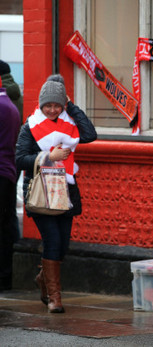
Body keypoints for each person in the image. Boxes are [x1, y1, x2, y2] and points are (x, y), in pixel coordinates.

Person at [16, 74, 97, 313]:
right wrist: (47, 157)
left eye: (57, 105)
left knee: (63, 245)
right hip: (40, 192)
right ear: (41, 105)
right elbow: (20, 159)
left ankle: (43, 279)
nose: (52, 109)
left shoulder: (69, 123)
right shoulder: (29, 126)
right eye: (48, 105)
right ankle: (55, 298)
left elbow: (90, 134)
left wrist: (71, 106)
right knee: (52, 240)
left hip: (65, 190)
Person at [0, 77, 21, 291]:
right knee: (6, 226)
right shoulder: (10, 105)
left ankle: (4, 277)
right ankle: (5, 278)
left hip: (2, 173)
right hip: (7, 172)